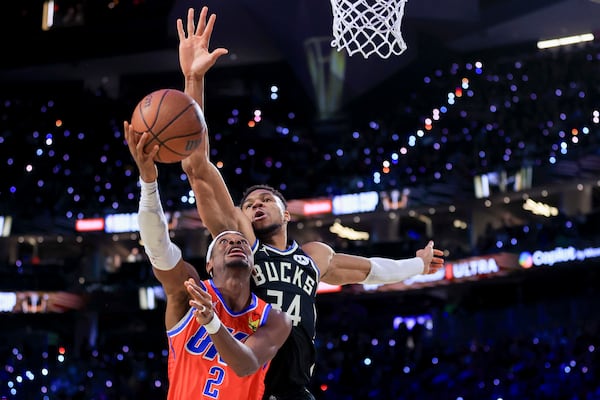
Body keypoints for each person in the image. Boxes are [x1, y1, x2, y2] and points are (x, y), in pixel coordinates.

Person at [176, 6, 445, 400]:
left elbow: (369, 271)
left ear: (287, 213)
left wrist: (418, 264)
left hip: (296, 389)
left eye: (266, 200)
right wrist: (193, 78)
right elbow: (196, 166)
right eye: (249, 203)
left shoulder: (314, 256)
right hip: (247, 381)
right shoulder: (242, 244)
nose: (254, 206)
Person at [124, 124, 292, 400]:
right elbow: (158, 247)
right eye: (223, 241)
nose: (235, 242)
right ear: (209, 264)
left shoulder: (273, 318)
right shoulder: (187, 292)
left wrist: (213, 322)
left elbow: (246, 364)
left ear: (253, 262)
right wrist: (148, 182)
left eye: (240, 241)